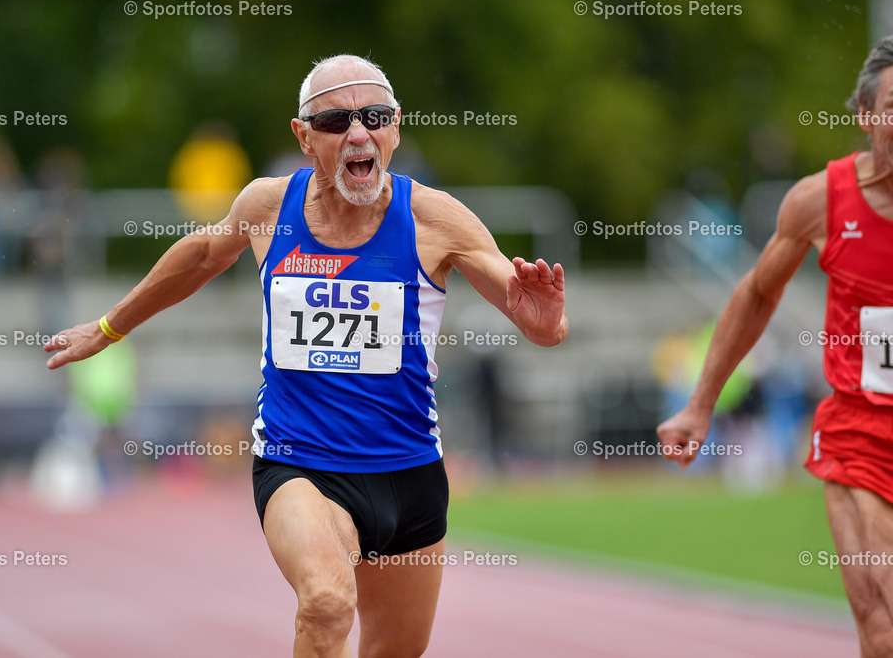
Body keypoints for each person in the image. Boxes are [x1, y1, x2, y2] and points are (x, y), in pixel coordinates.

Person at [44, 54, 568, 656]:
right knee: (326, 602)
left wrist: (546, 323)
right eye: (335, 121)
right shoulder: (268, 208)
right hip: (302, 468)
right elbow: (198, 257)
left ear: (395, 127)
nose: (357, 133)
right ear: (303, 137)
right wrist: (109, 327)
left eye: (374, 117)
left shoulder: (435, 219)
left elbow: (537, 318)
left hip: (409, 473)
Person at [657, 37, 893, 657]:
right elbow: (757, 293)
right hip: (861, 435)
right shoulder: (822, 201)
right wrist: (700, 404)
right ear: (867, 117)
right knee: (882, 617)